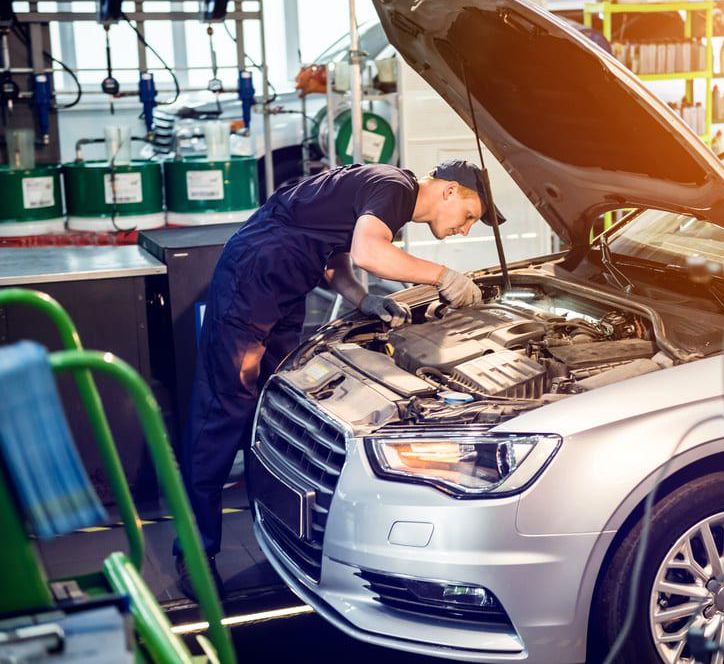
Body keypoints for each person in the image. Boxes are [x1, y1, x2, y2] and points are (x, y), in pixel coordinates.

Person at [174, 160, 502, 597]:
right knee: (222, 410)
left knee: (272, 408)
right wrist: (442, 276)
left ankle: (278, 528)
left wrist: (363, 300)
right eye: (469, 217)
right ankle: (194, 553)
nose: (465, 230)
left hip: (281, 286)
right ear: (449, 191)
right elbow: (369, 253)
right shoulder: (395, 188)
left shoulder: (389, 194)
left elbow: (334, 255)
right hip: (252, 279)